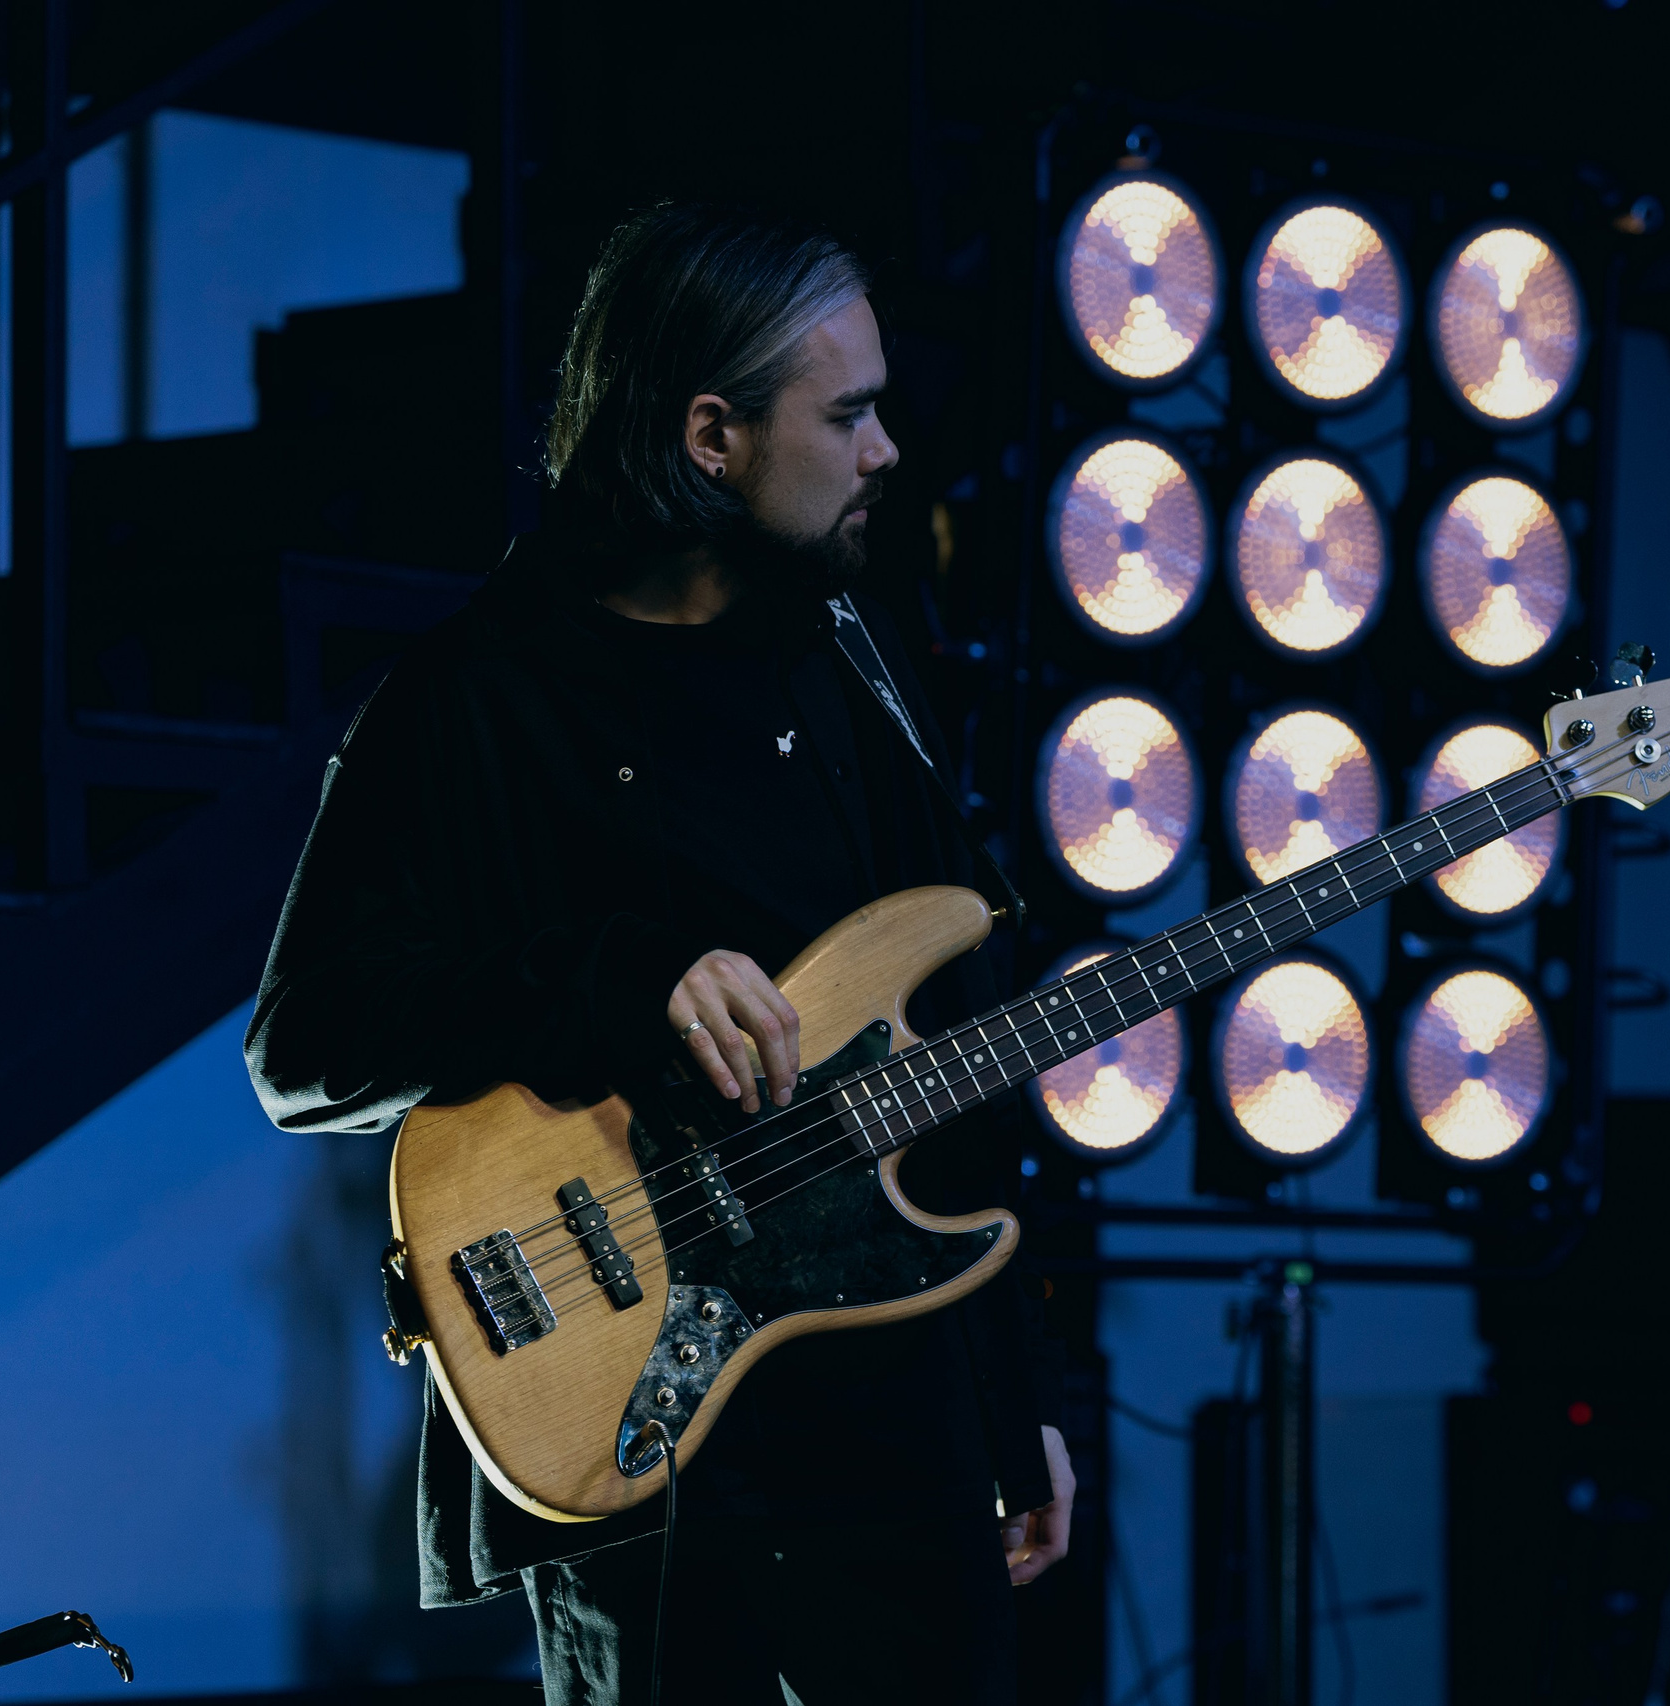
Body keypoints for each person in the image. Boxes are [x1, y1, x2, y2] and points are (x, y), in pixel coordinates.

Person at [245, 202, 1073, 1706]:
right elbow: (304, 1044)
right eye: (848, 413)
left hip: (889, 1421)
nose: (886, 450)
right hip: (638, 1427)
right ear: (712, 435)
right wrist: (618, 980)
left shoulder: (850, 656)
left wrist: (1015, 1404)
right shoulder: (476, 698)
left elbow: (955, 1052)